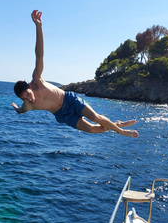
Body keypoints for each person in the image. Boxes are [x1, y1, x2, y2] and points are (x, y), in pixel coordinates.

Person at [11, 10, 139, 138]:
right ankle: (117, 124)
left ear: (30, 87)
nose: (29, 99)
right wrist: (17, 108)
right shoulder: (28, 105)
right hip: (62, 114)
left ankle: (121, 131)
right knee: (91, 129)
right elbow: (20, 111)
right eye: (24, 99)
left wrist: (38, 27)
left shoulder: (37, 80)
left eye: (28, 94)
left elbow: (39, 55)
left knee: (95, 117)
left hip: (69, 100)